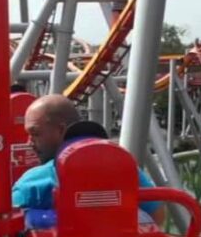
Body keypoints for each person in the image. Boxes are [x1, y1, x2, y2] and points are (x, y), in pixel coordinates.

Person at [12, 94, 166, 224]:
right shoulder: (124, 169)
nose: (29, 142)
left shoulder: (33, 183)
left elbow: (4, 232)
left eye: (35, 133)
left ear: (61, 130)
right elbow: (157, 215)